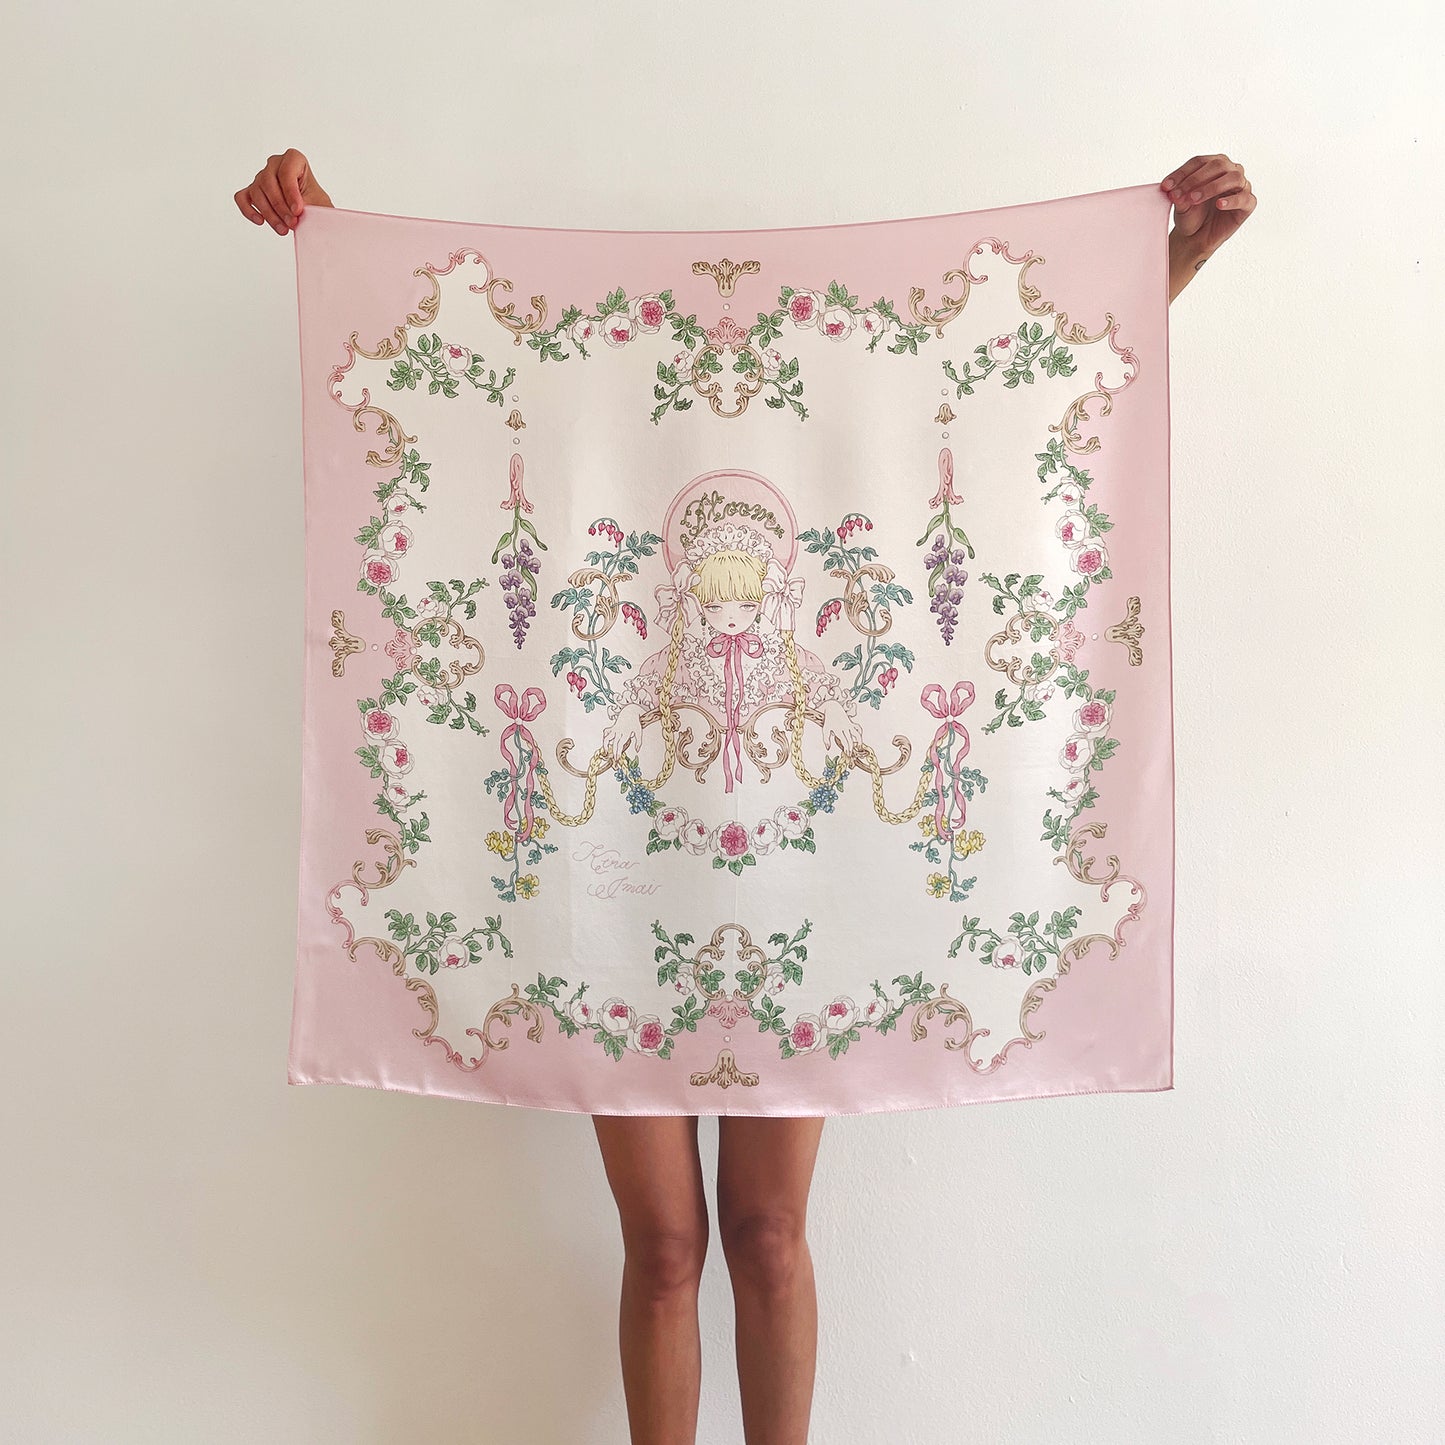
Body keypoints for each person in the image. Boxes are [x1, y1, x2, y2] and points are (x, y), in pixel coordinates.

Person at [238, 148, 1254, 1445]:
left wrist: (1169, 260)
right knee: (665, 1246)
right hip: (611, 885)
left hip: (801, 881)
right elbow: (466, 401)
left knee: (768, 1232)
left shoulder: (839, 430)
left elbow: (995, 394)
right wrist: (332, 237)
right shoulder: (596, 411)